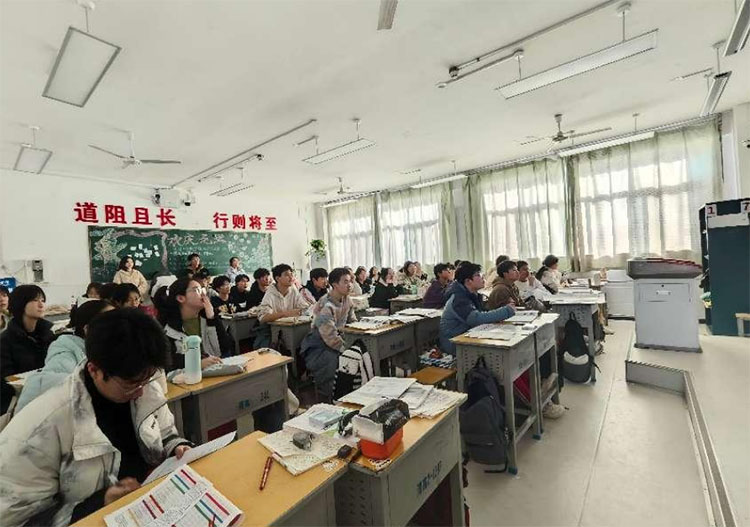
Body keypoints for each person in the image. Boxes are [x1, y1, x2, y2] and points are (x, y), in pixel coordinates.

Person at [0, 309, 192, 526]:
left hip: (147, 505)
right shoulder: (42, 426)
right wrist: (99, 503)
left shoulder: (143, 383)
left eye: (147, 379)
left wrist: (176, 447)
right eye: (131, 384)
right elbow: (15, 520)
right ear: (94, 370)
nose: (141, 391)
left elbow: (165, 432)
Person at [16, 300, 114, 411]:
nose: (119, 326)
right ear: (87, 329)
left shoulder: (111, 349)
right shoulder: (66, 350)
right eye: (111, 323)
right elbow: (52, 381)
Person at [300, 268, 357, 401]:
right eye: (345, 282)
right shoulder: (326, 305)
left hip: (338, 340)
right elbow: (330, 338)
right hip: (319, 345)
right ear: (335, 285)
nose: (350, 285)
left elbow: (353, 322)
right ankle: (330, 400)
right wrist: (347, 350)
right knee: (337, 365)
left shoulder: (347, 299)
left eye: (350, 281)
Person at [153, 277, 229, 370]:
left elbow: (225, 347)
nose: (203, 294)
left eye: (202, 289)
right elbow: (168, 362)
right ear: (181, 298)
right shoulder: (168, 328)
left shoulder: (207, 319)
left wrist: (212, 318)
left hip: (215, 370)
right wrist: (196, 363)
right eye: (197, 290)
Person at [439, 262, 515, 355]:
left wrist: (500, 314)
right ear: (468, 281)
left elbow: (482, 312)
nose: (483, 278)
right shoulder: (458, 299)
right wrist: (506, 311)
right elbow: (475, 319)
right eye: (478, 275)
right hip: (454, 343)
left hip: (469, 335)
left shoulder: (473, 294)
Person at [0, 284, 54, 376]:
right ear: (20, 303)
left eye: (43, 300)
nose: (41, 305)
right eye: (35, 300)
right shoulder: (5, 341)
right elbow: (6, 377)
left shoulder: (50, 334)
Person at [256, 264, 311, 347]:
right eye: (286, 275)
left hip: (291, 328)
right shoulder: (270, 293)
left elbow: (305, 308)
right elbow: (263, 318)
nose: (291, 277)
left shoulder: (293, 289)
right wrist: (285, 314)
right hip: (272, 330)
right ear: (277, 278)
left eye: (291, 274)